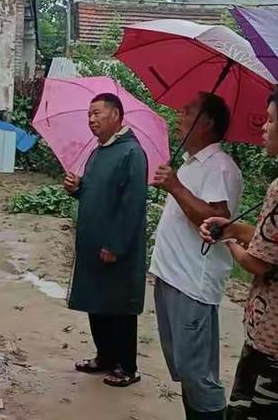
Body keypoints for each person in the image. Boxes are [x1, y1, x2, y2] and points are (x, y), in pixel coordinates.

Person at [150, 92, 243, 419]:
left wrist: (175, 186)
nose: (179, 114)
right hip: (171, 277)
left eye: (187, 110)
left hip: (193, 284)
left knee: (198, 375)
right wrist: (175, 181)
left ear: (207, 122)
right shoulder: (191, 165)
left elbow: (217, 222)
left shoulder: (221, 167)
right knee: (185, 370)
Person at [201, 90, 278, 420]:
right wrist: (233, 229)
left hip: (270, 340)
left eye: (272, 120)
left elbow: (258, 262)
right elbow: (269, 242)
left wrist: (226, 242)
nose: (264, 126)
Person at [64, 92, 148, 388]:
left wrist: (116, 245)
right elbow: (96, 191)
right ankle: (104, 356)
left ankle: (127, 365)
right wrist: (78, 188)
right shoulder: (99, 151)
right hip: (92, 246)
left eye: (97, 113)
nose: (91, 120)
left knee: (119, 306)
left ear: (116, 115)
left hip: (117, 248)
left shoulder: (132, 154)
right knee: (96, 301)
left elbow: (132, 205)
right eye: (89, 114)